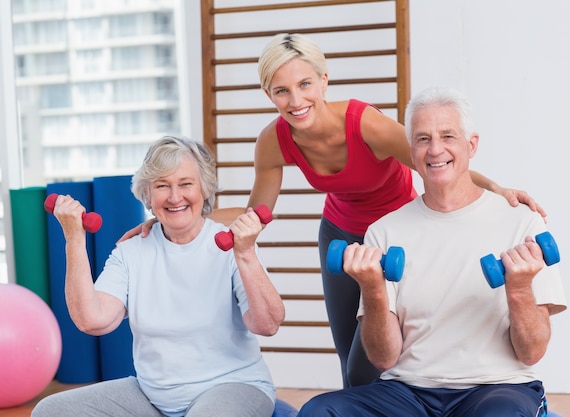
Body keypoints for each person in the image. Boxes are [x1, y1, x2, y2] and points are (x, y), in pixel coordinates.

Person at [120, 33, 547, 388]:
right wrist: (174, 217)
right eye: (282, 90)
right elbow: (258, 212)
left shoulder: (366, 124)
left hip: (397, 237)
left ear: (324, 81)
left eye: (305, 84)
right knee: (351, 363)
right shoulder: (273, 141)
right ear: (268, 93)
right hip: (340, 237)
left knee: (381, 356)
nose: (295, 99)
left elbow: (439, 162)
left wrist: (497, 189)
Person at [296, 86, 567, 417]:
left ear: (472, 145)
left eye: (448, 136)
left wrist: (521, 289)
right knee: (319, 411)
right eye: (423, 139)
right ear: (411, 151)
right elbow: (383, 359)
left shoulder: (522, 224)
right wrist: (372, 288)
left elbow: (532, 353)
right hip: (408, 391)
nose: (435, 149)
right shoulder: (384, 231)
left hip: (497, 387)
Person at [32, 136, 285, 417]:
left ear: (204, 189)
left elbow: (267, 324)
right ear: (148, 196)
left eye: (185, 184)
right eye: (162, 186)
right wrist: (74, 238)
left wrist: (247, 253)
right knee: (51, 411)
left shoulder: (233, 247)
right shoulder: (130, 252)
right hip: (153, 396)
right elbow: (92, 320)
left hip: (233, 386)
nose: (175, 197)